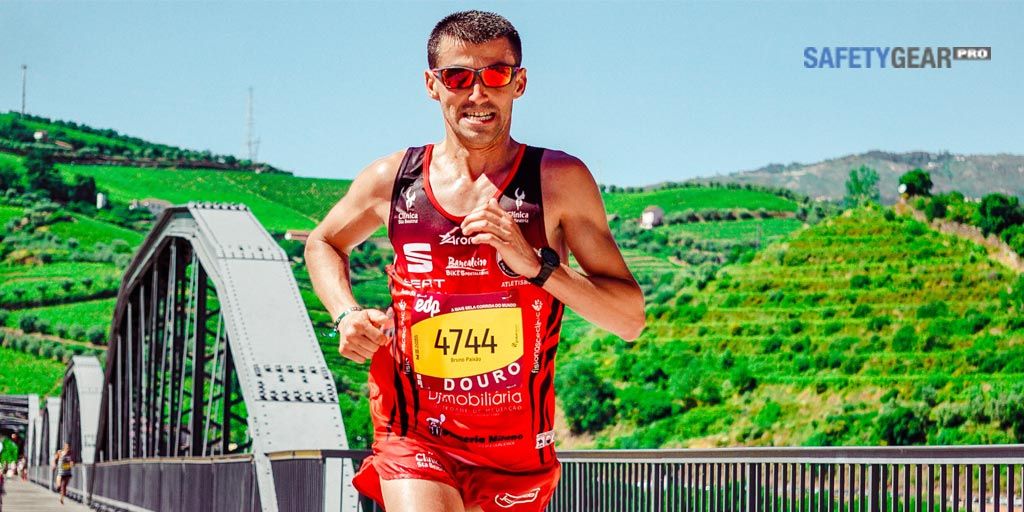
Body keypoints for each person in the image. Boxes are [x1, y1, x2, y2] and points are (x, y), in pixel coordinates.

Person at [306, 10, 645, 512]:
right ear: (432, 85)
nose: (478, 93)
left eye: (496, 74)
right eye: (459, 76)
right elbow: (324, 243)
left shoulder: (558, 180)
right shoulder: (392, 179)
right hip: (415, 436)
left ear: (519, 82)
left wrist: (536, 264)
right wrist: (346, 314)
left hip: (516, 452)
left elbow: (629, 318)